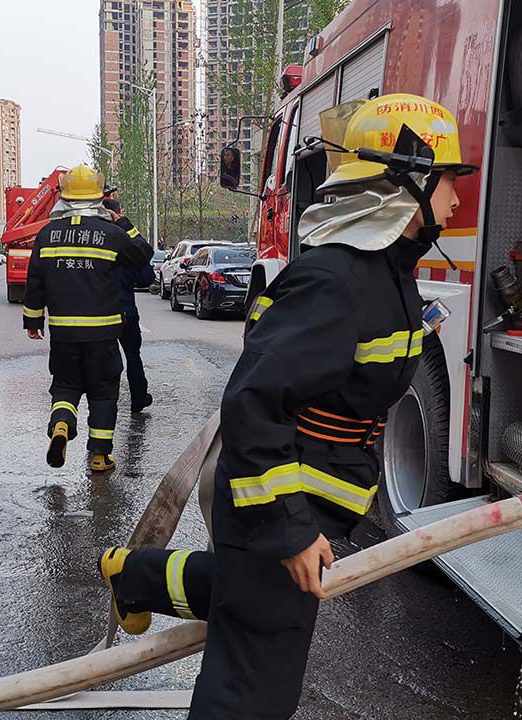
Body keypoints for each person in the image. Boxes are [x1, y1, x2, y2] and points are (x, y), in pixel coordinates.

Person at [98, 93, 477, 718]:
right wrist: (291, 532)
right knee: (252, 696)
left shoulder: (388, 273)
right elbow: (252, 403)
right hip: (273, 508)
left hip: (310, 504)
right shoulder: (335, 283)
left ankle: (133, 576)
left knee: (247, 597)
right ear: (404, 182)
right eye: (446, 182)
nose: (456, 199)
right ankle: (140, 576)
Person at [23, 165, 153, 473]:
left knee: (66, 386)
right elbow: (144, 255)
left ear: (65, 197)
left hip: (64, 334)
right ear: (98, 197)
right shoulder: (111, 234)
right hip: (103, 334)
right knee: (103, 392)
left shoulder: (47, 234)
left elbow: (34, 282)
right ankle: (99, 456)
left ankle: (61, 425)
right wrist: (126, 224)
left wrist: (33, 322)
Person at [108, 195, 156, 414]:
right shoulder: (128, 245)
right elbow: (146, 275)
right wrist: (125, 225)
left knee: (105, 359)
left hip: (98, 312)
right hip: (126, 311)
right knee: (132, 356)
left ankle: (106, 403)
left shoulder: (92, 239)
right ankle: (138, 399)